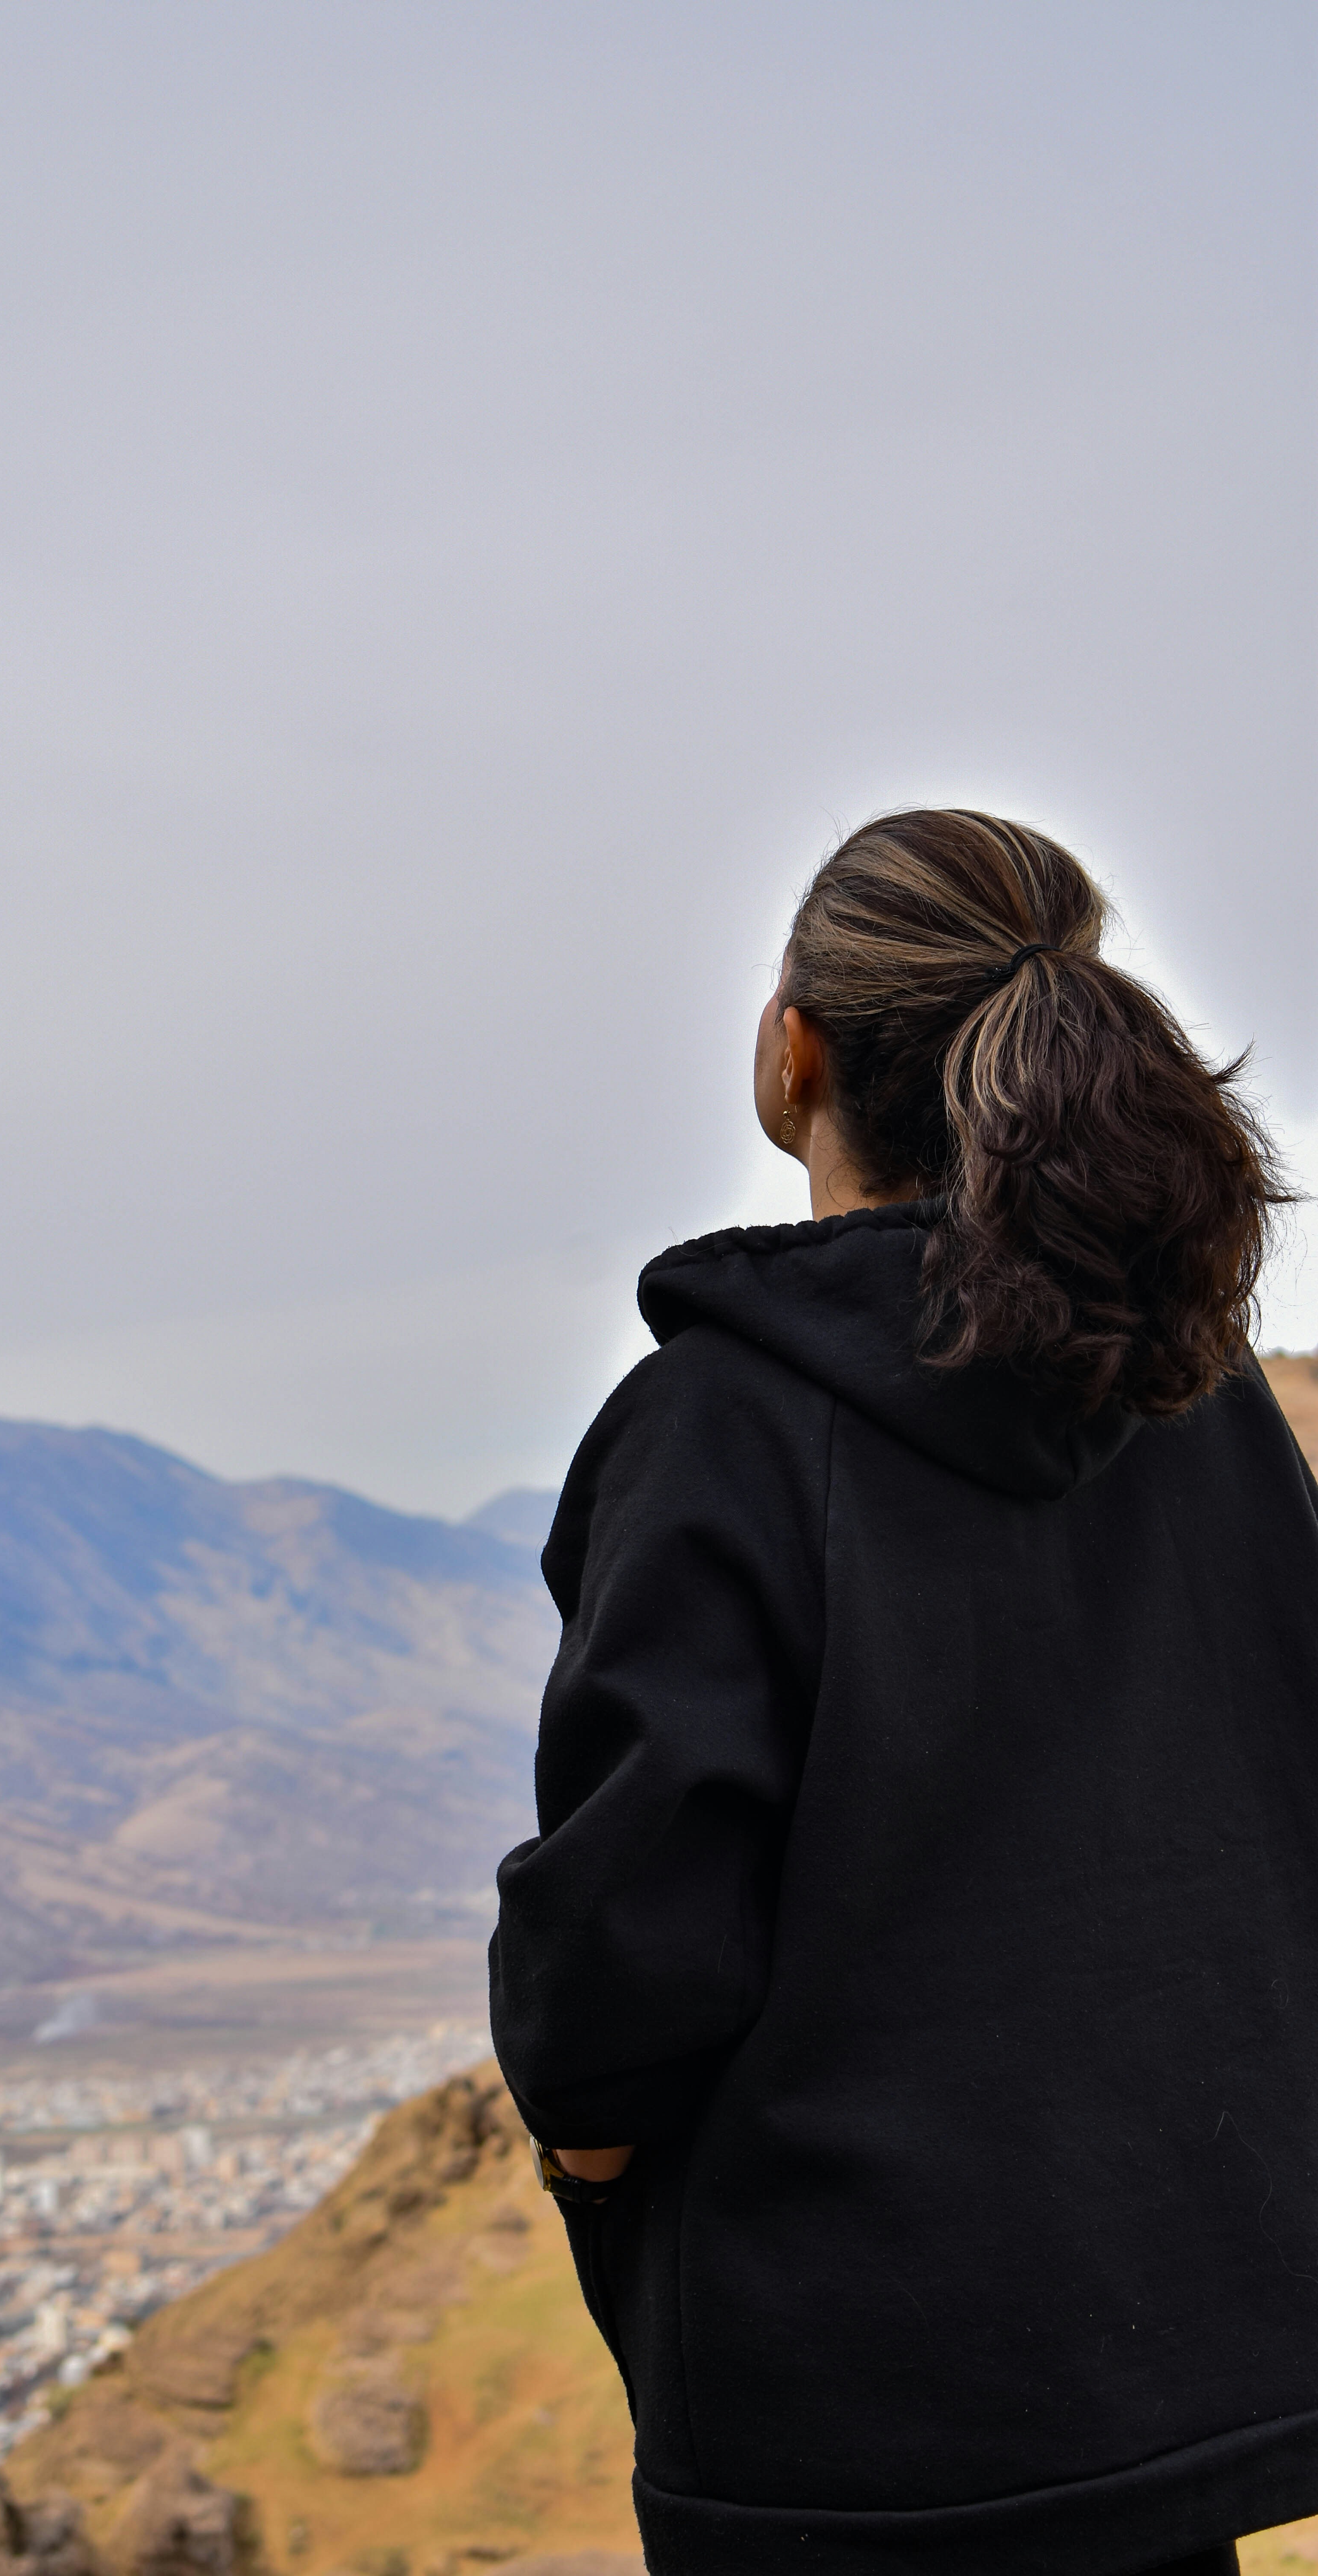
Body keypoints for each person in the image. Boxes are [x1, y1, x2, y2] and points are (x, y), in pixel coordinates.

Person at [489, 810, 1318, 2576]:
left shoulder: (715, 1428)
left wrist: (599, 2173)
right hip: (1164, 2397)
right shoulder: (1201, 1395)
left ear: (794, 1050)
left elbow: (624, 1946)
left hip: (844, 2440)